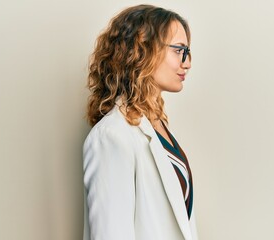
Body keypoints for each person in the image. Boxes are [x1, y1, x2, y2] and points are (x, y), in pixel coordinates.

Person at [83, 4, 197, 240]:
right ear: (142, 49)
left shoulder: (158, 128)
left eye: (188, 52)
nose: (187, 63)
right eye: (179, 50)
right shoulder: (112, 136)